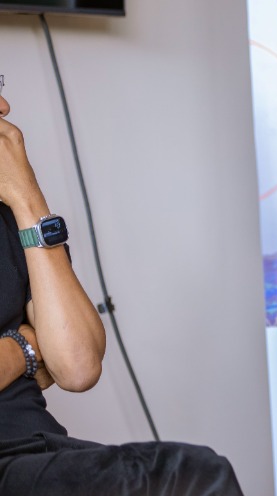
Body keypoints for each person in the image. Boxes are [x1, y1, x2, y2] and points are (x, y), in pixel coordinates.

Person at [0, 75, 244, 495]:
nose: (4, 107)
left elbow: (78, 366)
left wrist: (26, 198)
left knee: (198, 472)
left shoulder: (13, 217)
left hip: (40, 447)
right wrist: (25, 347)